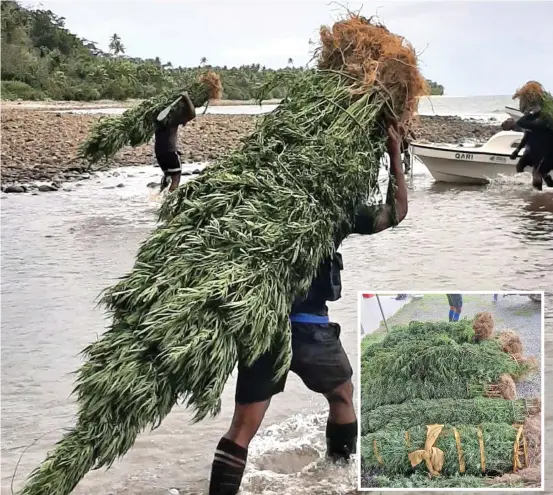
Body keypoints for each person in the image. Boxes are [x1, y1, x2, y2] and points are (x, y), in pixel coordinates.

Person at [208, 121, 408, 495]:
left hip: (264, 329)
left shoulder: (259, 205)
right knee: (342, 395)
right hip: (311, 330)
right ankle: (339, 474)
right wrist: (394, 153)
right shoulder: (332, 211)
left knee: (243, 426)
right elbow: (395, 211)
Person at [154, 92, 196, 193]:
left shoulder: (157, 121)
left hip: (159, 153)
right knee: (176, 179)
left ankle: (158, 196)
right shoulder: (173, 119)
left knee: (168, 174)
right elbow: (192, 115)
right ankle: (168, 203)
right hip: (170, 152)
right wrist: (186, 97)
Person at [508, 107, 553, 190]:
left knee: (537, 174)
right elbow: (525, 138)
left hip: (542, 152)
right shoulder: (533, 124)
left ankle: (539, 194)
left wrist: (531, 114)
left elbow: (521, 122)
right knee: (520, 165)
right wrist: (517, 151)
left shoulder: (543, 123)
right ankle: (523, 185)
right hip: (531, 151)